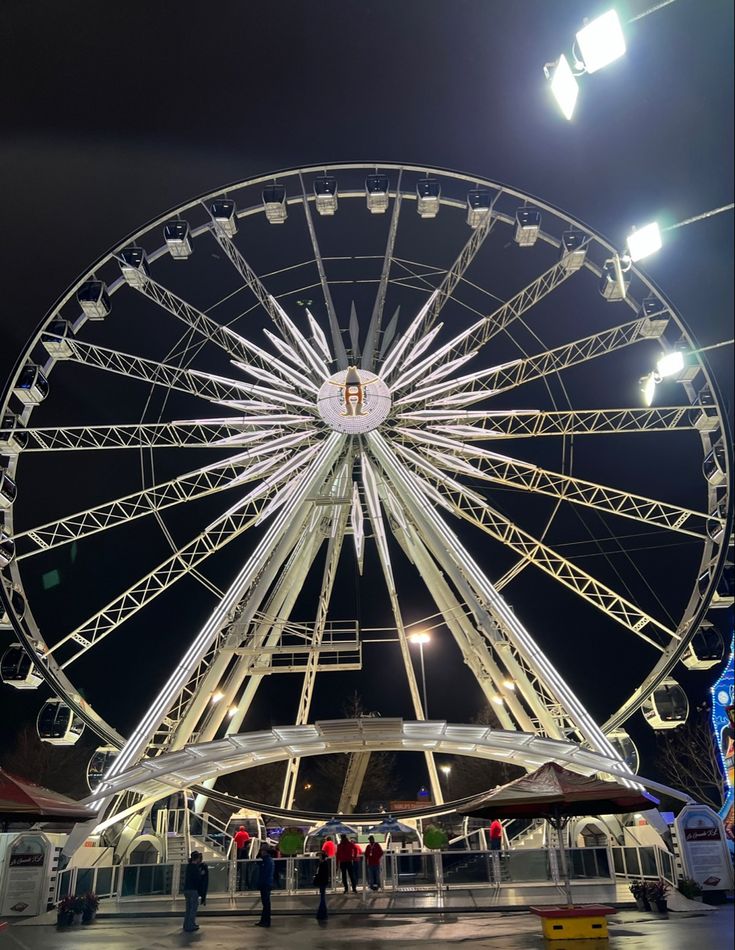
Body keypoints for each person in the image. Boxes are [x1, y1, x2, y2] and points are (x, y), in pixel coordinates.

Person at [182, 851, 202, 933]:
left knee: (188, 908)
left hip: (187, 889)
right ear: (197, 858)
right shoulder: (195, 867)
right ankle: (191, 925)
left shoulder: (188, 866)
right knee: (193, 908)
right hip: (193, 890)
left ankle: (186, 924)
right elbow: (197, 880)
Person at [255, 843, 274, 928]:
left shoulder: (266, 861)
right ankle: (264, 920)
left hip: (265, 884)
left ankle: (266, 921)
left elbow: (264, 873)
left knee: (266, 904)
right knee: (266, 903)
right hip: (267, 883)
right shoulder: (268, 860)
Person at [314, 849, 330, 922]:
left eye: (320, 856)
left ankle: (322, 913)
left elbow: (320, 874)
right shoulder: (325, 864)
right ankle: (323, 913)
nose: (319, 858)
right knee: (322, 897)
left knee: (322, 898)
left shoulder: (322, 864)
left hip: (322, 882)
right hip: (323, 882)